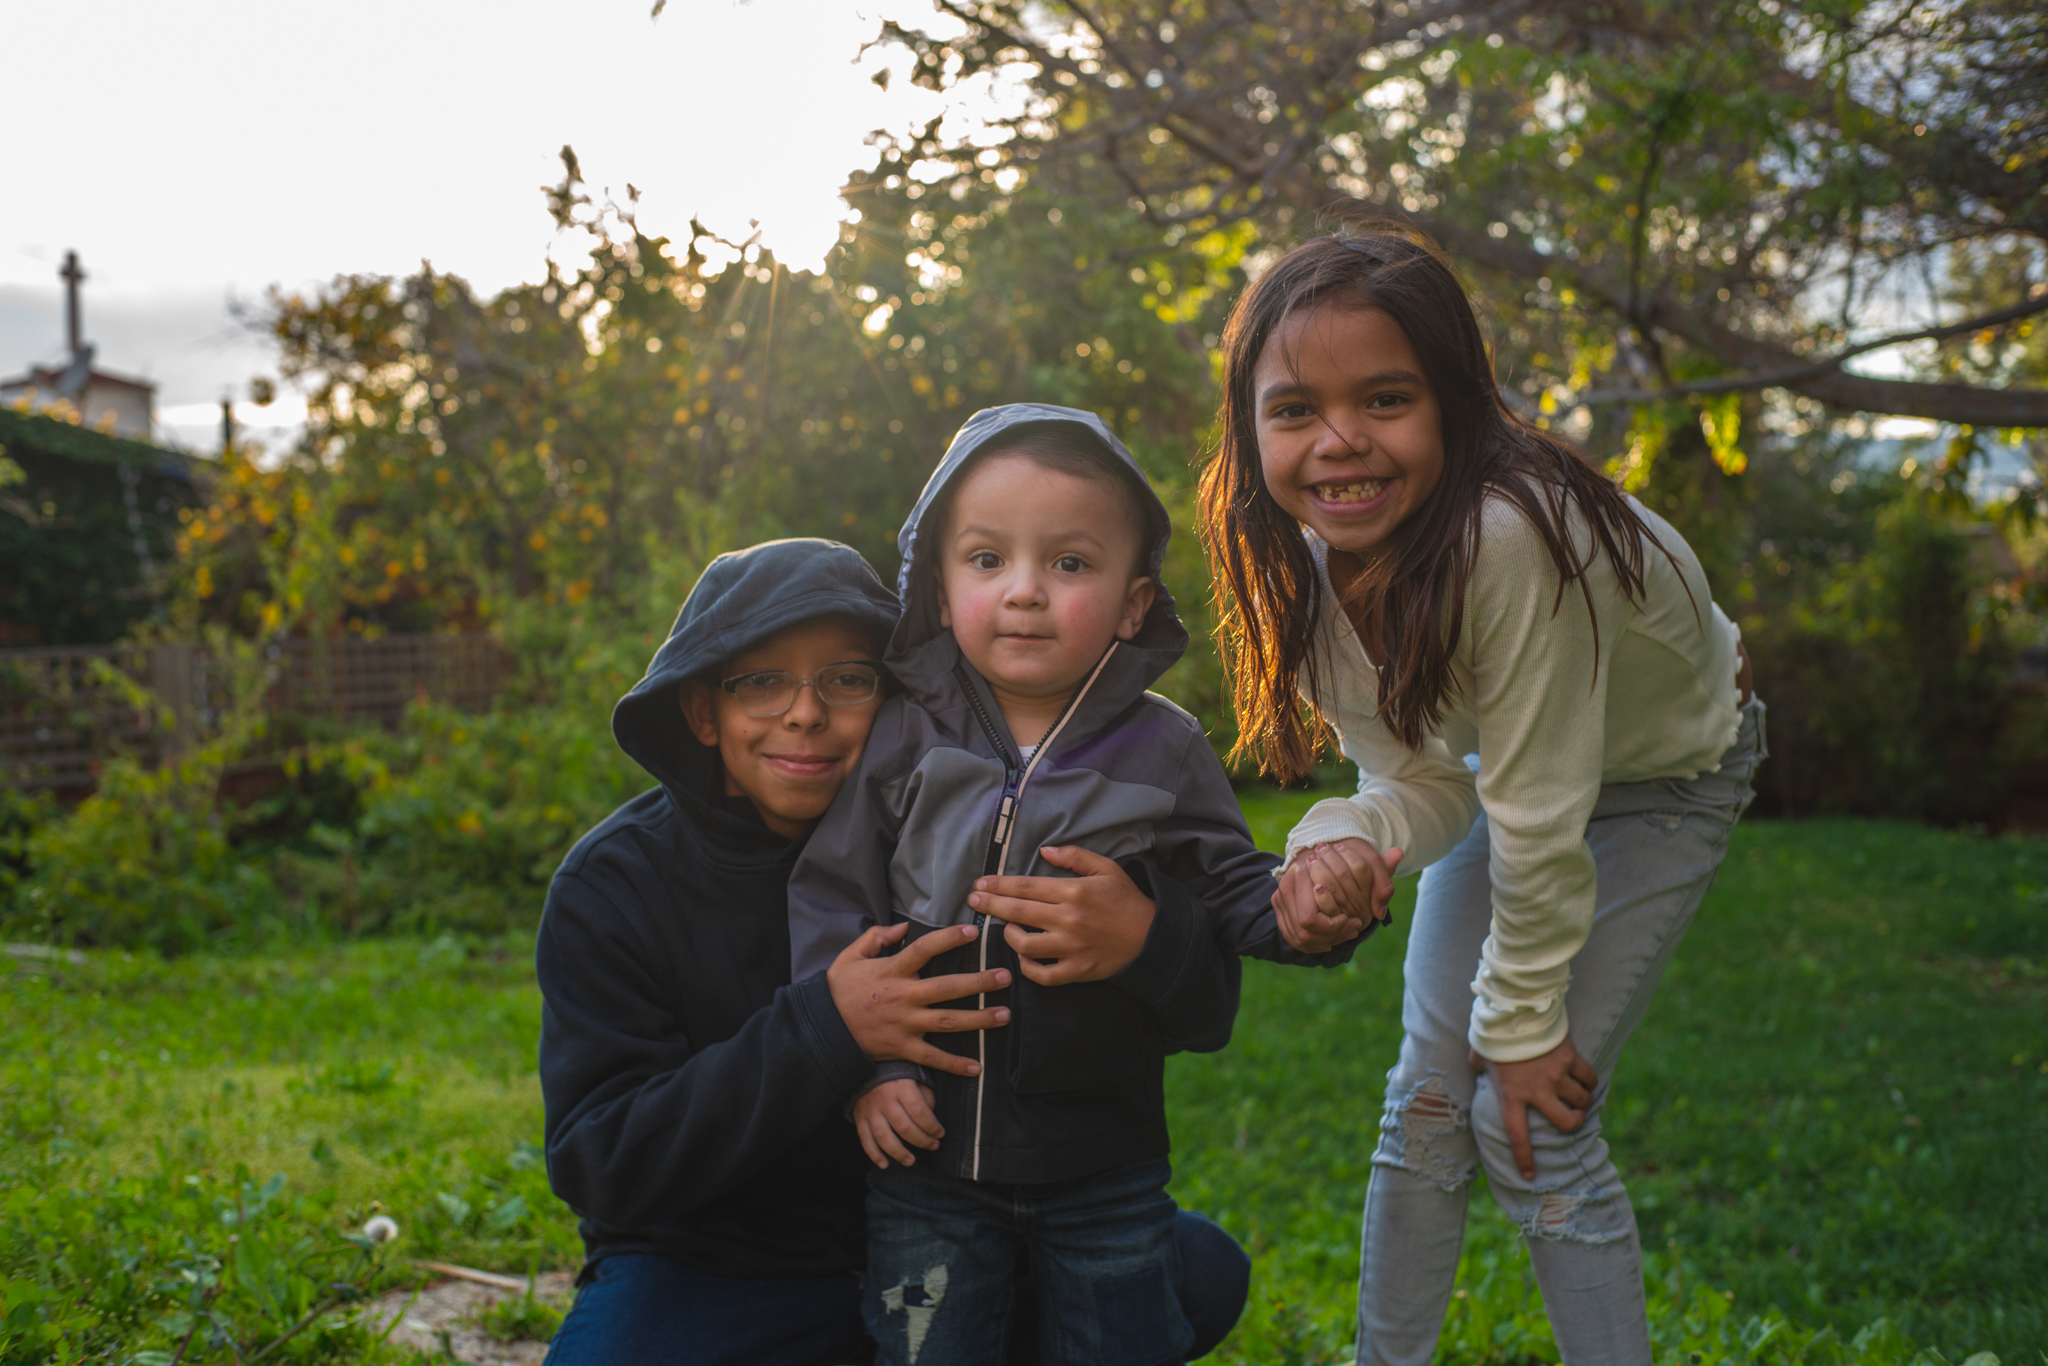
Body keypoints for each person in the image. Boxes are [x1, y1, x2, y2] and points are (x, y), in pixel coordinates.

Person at [1197, 233, 1765, 1366]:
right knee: (1423, 1103)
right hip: (1523, 777)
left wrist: (1516, 1028)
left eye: (1385, 397)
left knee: (1534, 1125)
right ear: (1248, 425)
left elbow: (1538, 817)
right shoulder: (1304, 566)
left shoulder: (1509, 535)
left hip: (1666, 778)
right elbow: (1415, 776)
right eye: (1293, 408)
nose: (1338, 440)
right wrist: (1336, 841)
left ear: (1454, 402)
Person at [537, 537, 1258, 1366]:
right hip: (726, 1269)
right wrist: (826, 1029)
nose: (805, 713)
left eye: (848, 679)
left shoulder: (989, 838)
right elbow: (602, 1160)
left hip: (961, 1223)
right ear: (703, 713)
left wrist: (1147, 938)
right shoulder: (615, 884)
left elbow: (1205, 1015)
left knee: (1195, 1272)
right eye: (760, 682)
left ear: (900, 700)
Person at [786, 406, 1386, 1366]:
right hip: (926, 1159)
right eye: (986, 560)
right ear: (938, 590)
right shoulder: (902, 737)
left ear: (1133, 603)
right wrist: (870, 1068)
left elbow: (1234, 890)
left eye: (1069, 564)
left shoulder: (1164, 746)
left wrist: (1311, 906)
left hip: (1103, 1163)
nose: (1023, 592)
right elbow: (831, 903)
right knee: (923, 1349)